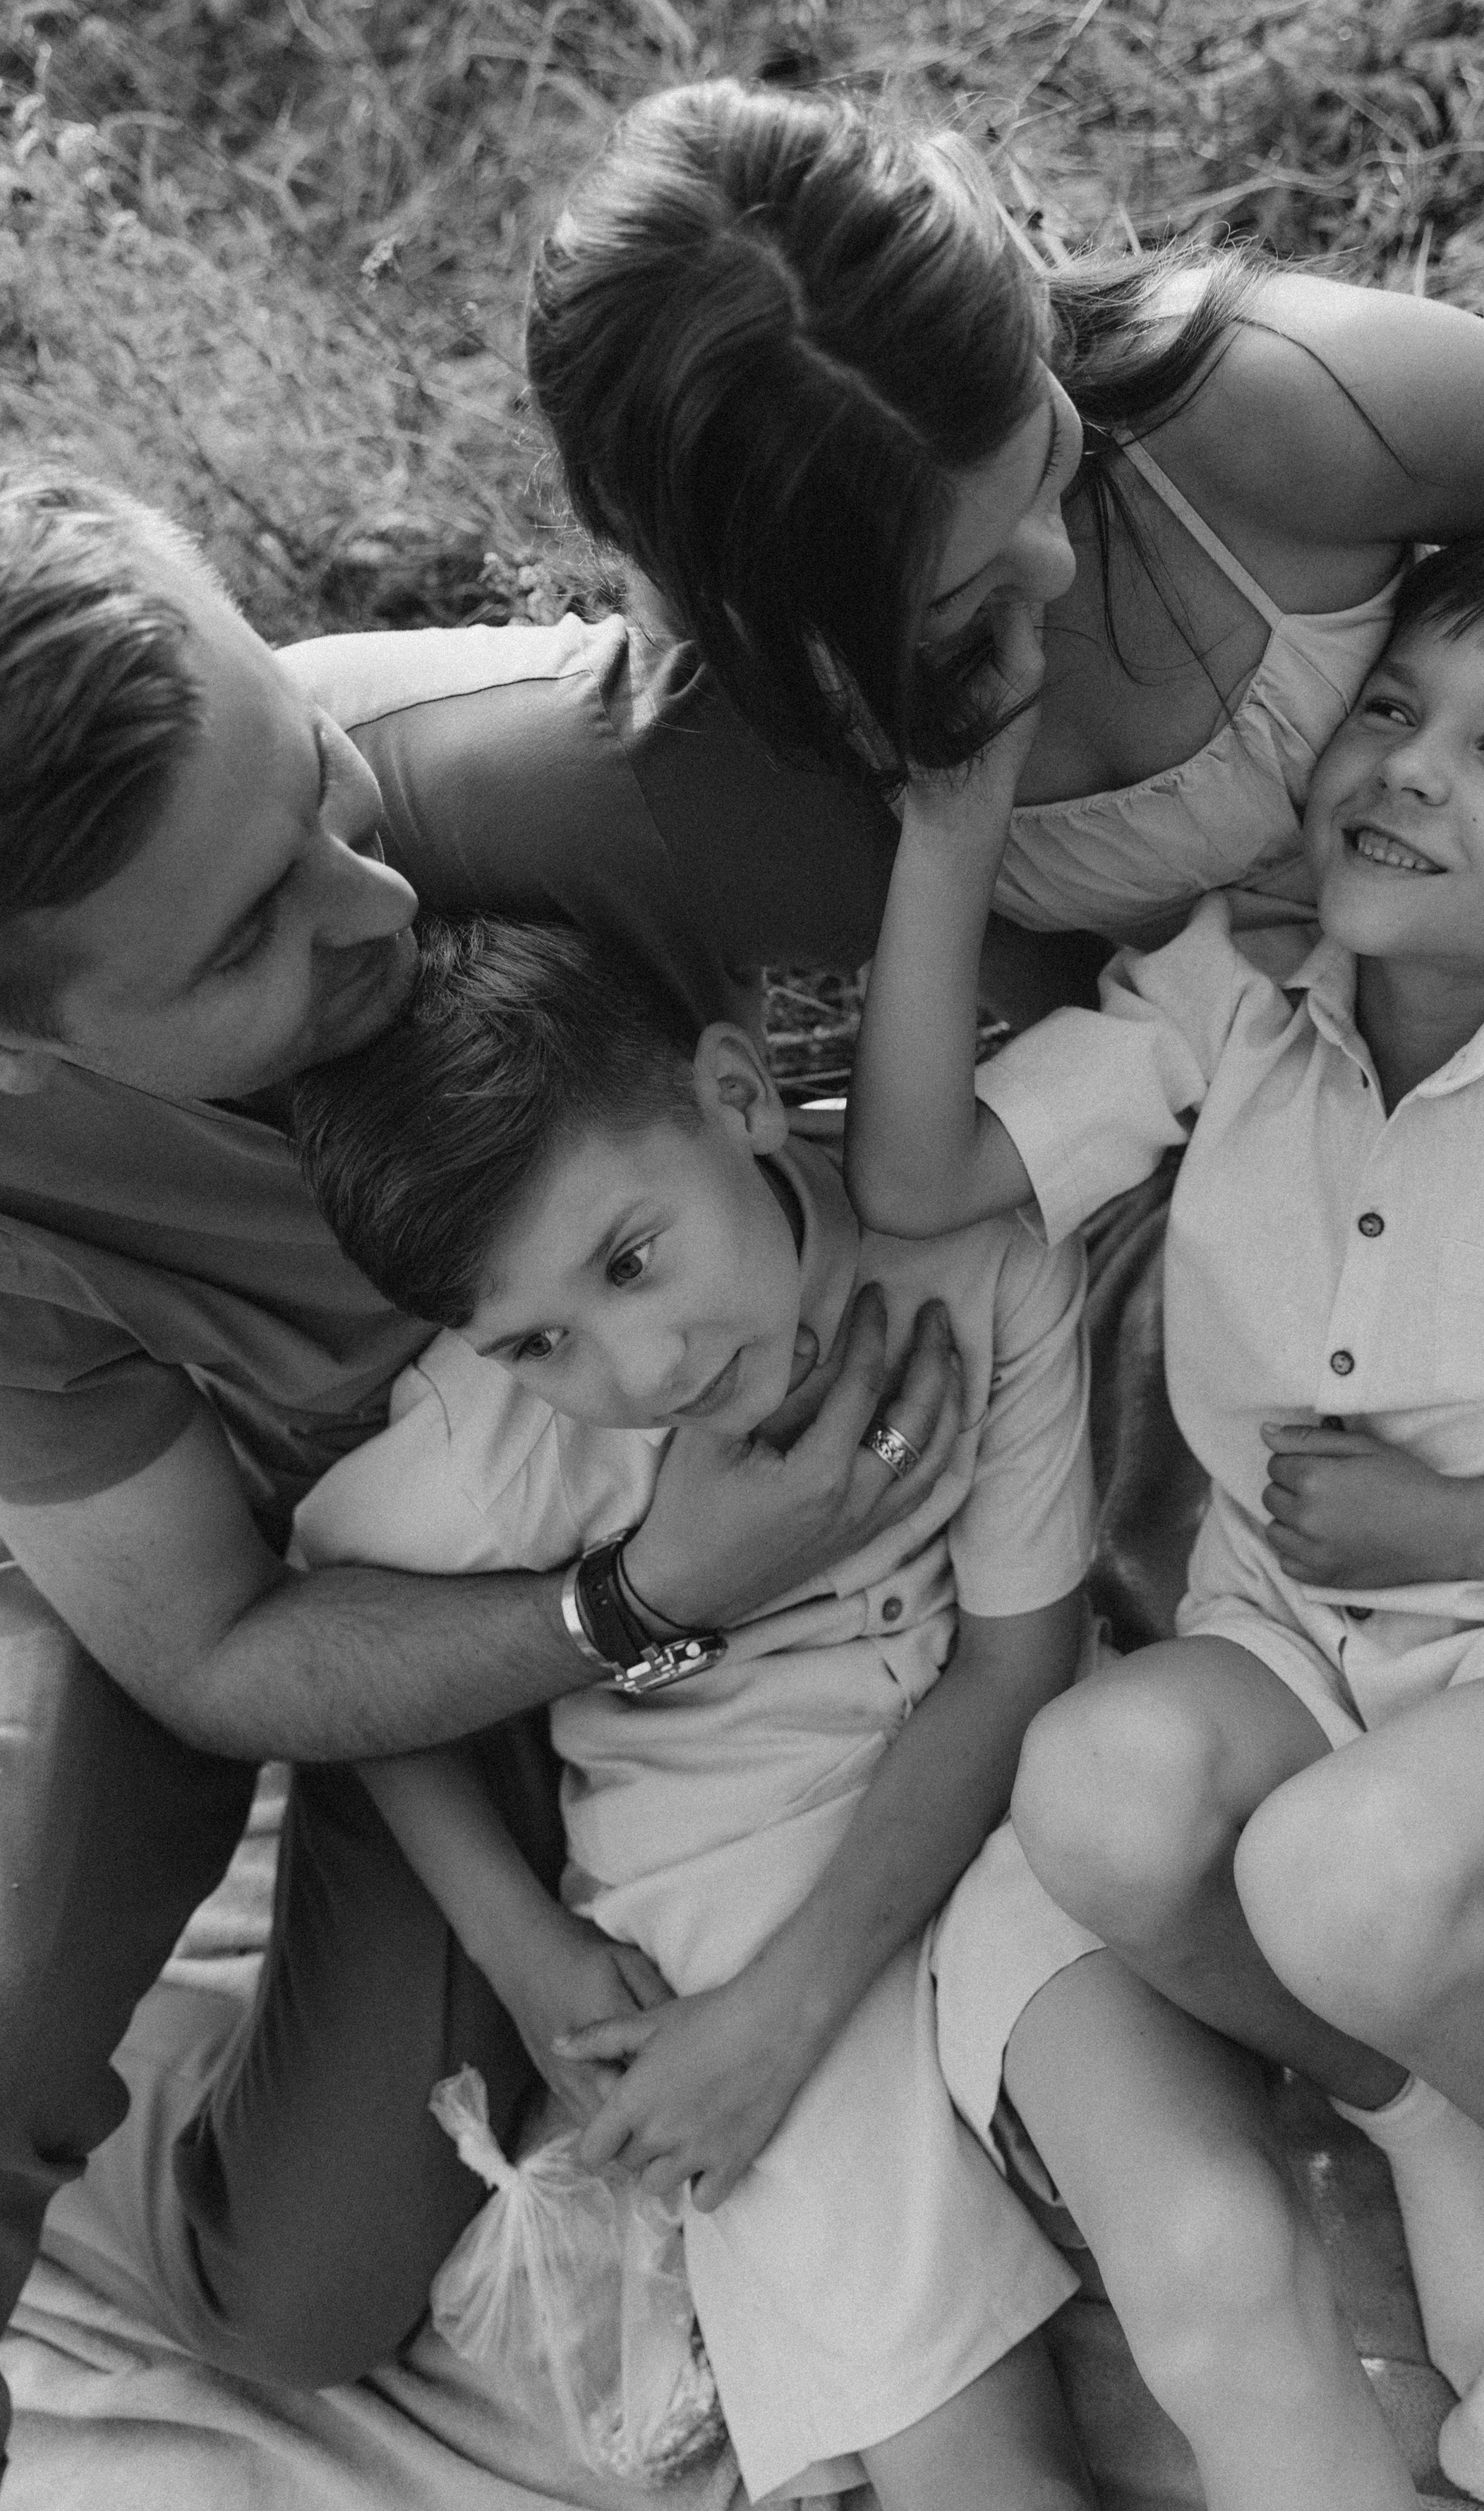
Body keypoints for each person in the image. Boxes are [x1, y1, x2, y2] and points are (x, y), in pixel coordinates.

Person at [0, 459, 964, 2454]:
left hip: (627, 1566)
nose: (380, 903)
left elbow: (1049, 977)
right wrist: (643, 1605)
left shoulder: (572, 793)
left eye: (312, 776)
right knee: (281, 2289)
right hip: (370, 1595)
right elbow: (212, 1646)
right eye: (247, 937)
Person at [847, 526, 1484, 2511]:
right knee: (1092, 1793)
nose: (1413, 767)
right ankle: (1425, 2107)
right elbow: (923, 1176)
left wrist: (1458, 1540)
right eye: (1392, 706)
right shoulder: (1244, 990)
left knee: (1344, 1878)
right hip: (1297, 1631)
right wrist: (948, 837)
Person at [284, 912, 1420, 2511]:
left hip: (1007, 1805)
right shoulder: (495, 1452)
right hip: (720, 1876)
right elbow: (338, 1655)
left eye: (631, 1258)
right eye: (538, 1339)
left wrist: (783, 2017)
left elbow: (1011, 1669)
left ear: (738, 1093)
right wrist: (518, 1947)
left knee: (1219, 2250)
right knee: (963, 2447)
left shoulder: (973, 1262)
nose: (640, 1363)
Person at [524, 76, 1484, 1003]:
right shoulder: (770, 693)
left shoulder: (1285, 399)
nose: (1047, 568)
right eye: (954, 592)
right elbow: (1050, 1000)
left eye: (1048, 460)